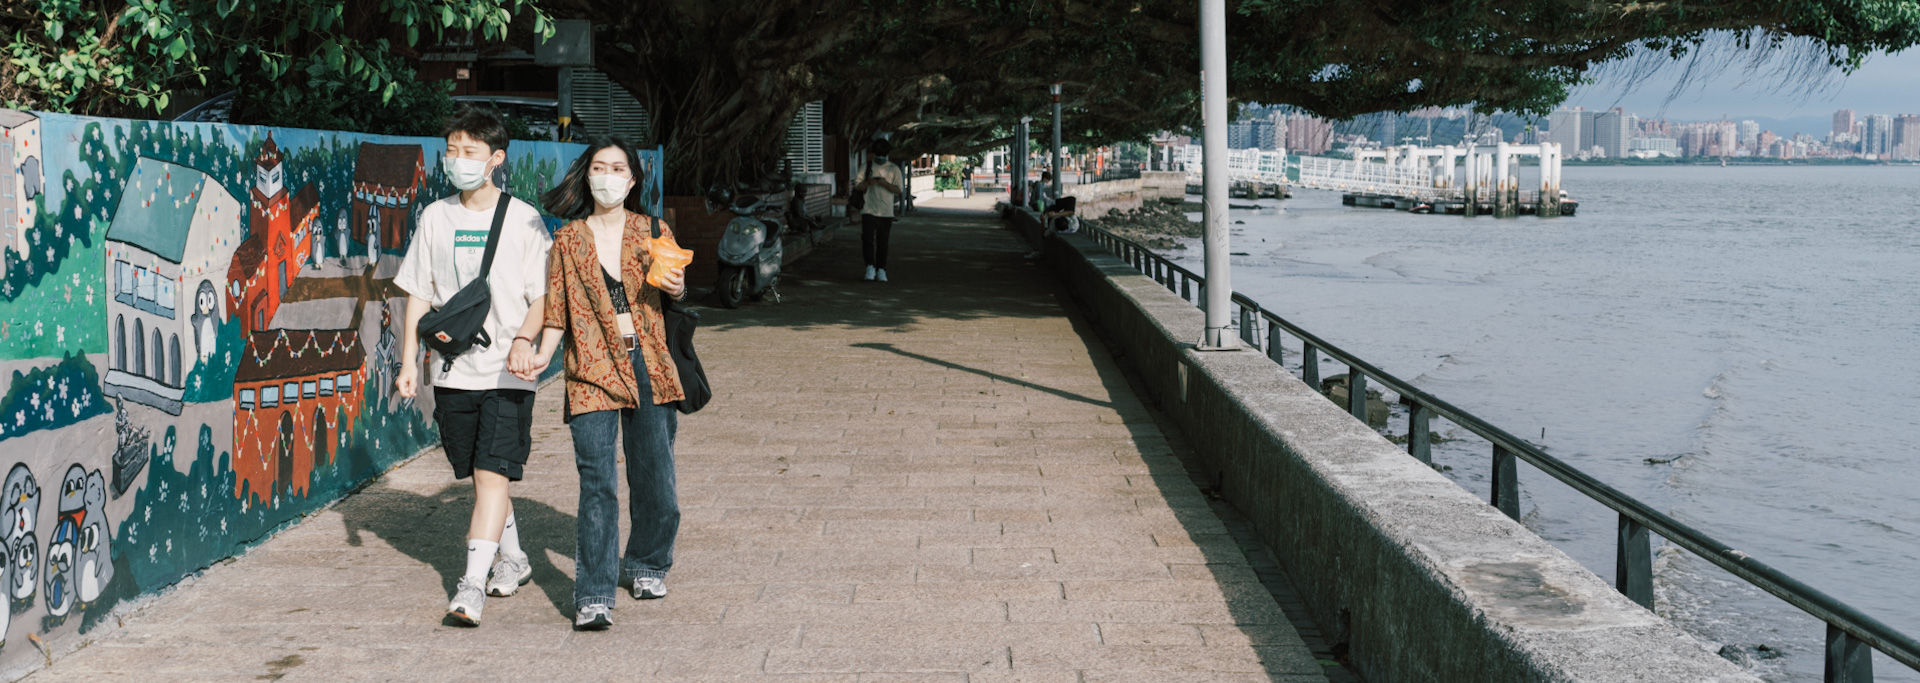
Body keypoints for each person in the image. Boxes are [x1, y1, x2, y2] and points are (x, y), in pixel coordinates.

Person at [516, 137, 688, 631]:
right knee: (598, 483)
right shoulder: (569, 240)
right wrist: (541, 354)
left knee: (655, 475)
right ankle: (593, 594)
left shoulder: (653, 230)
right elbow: (558, 310)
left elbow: (674, 288)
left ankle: (647, 563)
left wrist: (676, 287)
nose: (607, 176)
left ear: (632, 180)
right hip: (591, 366)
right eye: (598, 167)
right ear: (586, 175)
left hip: (648, 361)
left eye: (617, 168)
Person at [393, 107, 553, 626]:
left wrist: (525, 341)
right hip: (452, 371)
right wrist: (409, 361)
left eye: (469, 152)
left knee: (490, 472)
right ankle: (515, 559)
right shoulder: (435, 217)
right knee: (480, 473)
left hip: (509, 372)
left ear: (496, 159)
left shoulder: (524, 219)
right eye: (452, 150)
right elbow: (418, 294)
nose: (457, 160)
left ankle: (470, 587)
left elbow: (543, 296)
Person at [854, 138, 905, 283]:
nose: (880, 157)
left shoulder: (894, 169)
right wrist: (868, 182)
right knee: (867, 240)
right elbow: (857, 186)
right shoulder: (866, 167)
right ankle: (869, 267)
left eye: (882, 154)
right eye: (878, 153)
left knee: (883, 242)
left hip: (886, 211)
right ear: (873, 153)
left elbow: (899, 189)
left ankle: (881, 269)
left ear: (887, 154)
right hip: (868, 209)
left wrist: (884, 183)